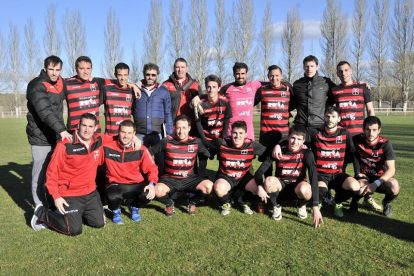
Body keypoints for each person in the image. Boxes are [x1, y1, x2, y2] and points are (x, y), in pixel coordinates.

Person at [30, 113, 108, 235]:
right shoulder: (65, 145)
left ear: (95, 128)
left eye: (90, 126)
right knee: (73, 229)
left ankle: (76, 212)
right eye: (84, 125)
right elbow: (51, 172)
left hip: (90, 192)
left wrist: (134, 138)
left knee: (99, 223)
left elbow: (117, 138)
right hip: (70, 193)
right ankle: (42, 213)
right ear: (78, 125)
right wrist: (56, 196)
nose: (87, 130)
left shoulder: (98, 141)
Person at [275, 106, 360, 217]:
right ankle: (319, 201)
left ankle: (337, 201)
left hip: (338, 174)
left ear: (339, 119)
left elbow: (354, 152)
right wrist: (278, 145)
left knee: (355, 187)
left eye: (333, 117)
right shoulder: (315, 132)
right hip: (320, 175)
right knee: (320, 191)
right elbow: (296, 136)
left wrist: (358, 172)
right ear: (324, 117)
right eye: (327, 116)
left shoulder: (345, 133)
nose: (330, 119)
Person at [26, 55, 72, 208]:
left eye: (57, 70)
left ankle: (53, 204)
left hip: (56, 137)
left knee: (54, 174)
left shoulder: (61, 82)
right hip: (40, 137)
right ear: (45, 69)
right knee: (39, 177)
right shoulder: (36, 85)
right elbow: (45, 110)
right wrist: (62, 130)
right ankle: (40, 209)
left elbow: (77, 88)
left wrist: (132, 85)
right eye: (51, 69)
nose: (54, 73)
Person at [255, 125, 323, 228]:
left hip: (297, 189)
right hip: (281, 188)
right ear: (288, 137)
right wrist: (260, 186)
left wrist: (315, 206)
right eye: (293, 138)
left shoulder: (307, 153)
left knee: (306, 189)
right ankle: (277, 206)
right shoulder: (278, 151)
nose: (295, 142)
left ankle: (301, 205)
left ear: (303, 141)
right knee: (269, 181)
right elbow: (259, 172)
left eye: (299, 139)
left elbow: (313, 177)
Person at [333, 61, 379, 210]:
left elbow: (370, 111)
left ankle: (367, 197)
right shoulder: (334, 90)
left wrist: (373, 129)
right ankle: (339, 196)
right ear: (337, 73)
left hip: (360, 137)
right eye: (340, 71)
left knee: (362, 170)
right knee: (341, 168)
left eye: (346, 70)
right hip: (342, 137)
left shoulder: (363, 88)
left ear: (351, 70)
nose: (343, 73)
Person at [149, 115, 213, 216]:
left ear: (189, 128)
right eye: (178, 128)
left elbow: (208, 154)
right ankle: (169, 203)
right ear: (174, 127)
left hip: (189, 179)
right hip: (170, 179)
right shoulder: (166, 141)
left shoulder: (196, 142)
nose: (181, 131)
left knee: (209, 186)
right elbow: (149, 152)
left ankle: (192, 202)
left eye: (184, 128)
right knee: (157, 191)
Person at [204, 121, 268, 216]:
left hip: (244, 177)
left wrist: (278, 147)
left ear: (246, 134)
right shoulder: (222, 142)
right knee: (219, 188)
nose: (237, 136)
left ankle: (243, 200)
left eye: (241, 133)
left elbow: (269, 154)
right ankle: (228, 202)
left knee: (260, 190)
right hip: (226, 177)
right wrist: (211, 154)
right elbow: (206, 145)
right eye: (235, 133)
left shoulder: (251, 145)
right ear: (231, 133)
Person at [103, 120, 158, 224]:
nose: (125, 136)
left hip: (135, 183)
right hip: (116, 183)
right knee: (112, 196)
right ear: (118, 131)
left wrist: (152, 183)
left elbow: (152, 167)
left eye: (129, 133)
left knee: (148, 193)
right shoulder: (108, 146)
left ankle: (134, 206)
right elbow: (93, 136)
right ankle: (115, 210)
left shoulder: (141, 149)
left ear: (134, 134)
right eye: (123, 132)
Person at [350, 116, 399, 217]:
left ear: (379, 130)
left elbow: (391, 169)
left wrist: (376, 184)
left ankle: (387, 203)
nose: (371, 133)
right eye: (368, 129)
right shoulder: (356, 140)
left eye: (374, 130)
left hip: (380, 178)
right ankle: (354, 202)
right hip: (364, 175)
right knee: (358, 186)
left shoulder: (385, 144)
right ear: (363, 129)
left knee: (394, 186)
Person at [133, 63, 173, 177]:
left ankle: (159, 186)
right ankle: (141, 185)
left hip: (157, 134)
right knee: (139, 161)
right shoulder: (136, 89)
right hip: (140, 133)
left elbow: (167, 112)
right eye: (148, 74)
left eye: (153, 75)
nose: (150, 77)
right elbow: (131, 110)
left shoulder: (163, 91)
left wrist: (170, 133)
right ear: (144, 74)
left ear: (157, 75)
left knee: (160, 162)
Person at [254, 65, 293, 177]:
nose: (274, 78)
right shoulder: (262, 90)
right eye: (271, 76)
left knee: (283, 165)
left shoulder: (288, 90)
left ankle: (280, 191)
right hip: (266, 135)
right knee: (267, 166)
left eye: (277, 75)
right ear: (268, 76)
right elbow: (249, 103)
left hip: (283, 136)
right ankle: (267, 189)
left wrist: (288, 84)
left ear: (282, 76)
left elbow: (296, 103)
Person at [195, 74, 232, 178]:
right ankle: (201, 187)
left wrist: (222, 138)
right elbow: (198, 123)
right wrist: (204, 140)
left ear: (219, 88)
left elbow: (227, 120)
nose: (211, 90)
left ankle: (220, 182)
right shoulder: (200, 104)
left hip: (219, 138)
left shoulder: (225, 101)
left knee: (223, 164)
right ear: (206, 87)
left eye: (214, 87)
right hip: (205, 138)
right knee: (202, 164)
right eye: (208, 87)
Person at [65, 56, 110, 133]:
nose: (85, 72)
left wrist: (132, 85)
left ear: (91, 69)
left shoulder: (97, 82)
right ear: (76, 69)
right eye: (82, 68)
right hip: (74, 131)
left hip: (95, 132)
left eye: (88, 68)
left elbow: (119, 81)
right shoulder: (66, 83)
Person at [291, 55, 336, 132]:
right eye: (307, 66)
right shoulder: (297, 84)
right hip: (301, 125)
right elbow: (292, 102)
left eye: (312, 66)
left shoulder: (325, 82)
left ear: (317, 67)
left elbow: (338, 92)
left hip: (319, 126)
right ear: (303, 67)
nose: (309, 69)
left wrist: (326, 106)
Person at [219, 62, 262, 140]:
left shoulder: (254, 85)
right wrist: (198, 97)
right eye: (238, 74)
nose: (240, 76)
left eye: (243, 73)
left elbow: (271, 84)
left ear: (247, 74)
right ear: (234, 74)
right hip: (232, 131)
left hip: (248, 132)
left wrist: (285, 84)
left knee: (250, 152)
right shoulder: (227, 87)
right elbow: (212, 92)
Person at [162, 58, 201, 133]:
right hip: (173, 127)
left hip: (191, 126)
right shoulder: (166, 85)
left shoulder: (195, 84)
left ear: (187, 68)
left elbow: (202, 102)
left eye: (182, 67)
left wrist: (198, 97)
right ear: (174, 68)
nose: (180, 70)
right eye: (177, 67)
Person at [102, 63, 134, 136]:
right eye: (120, 75)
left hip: (126, 135)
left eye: (125, 75)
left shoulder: (132, 91)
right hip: (110, 135)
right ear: (115, 75)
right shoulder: (107, 89)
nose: (123, 78)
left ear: (129, 75)